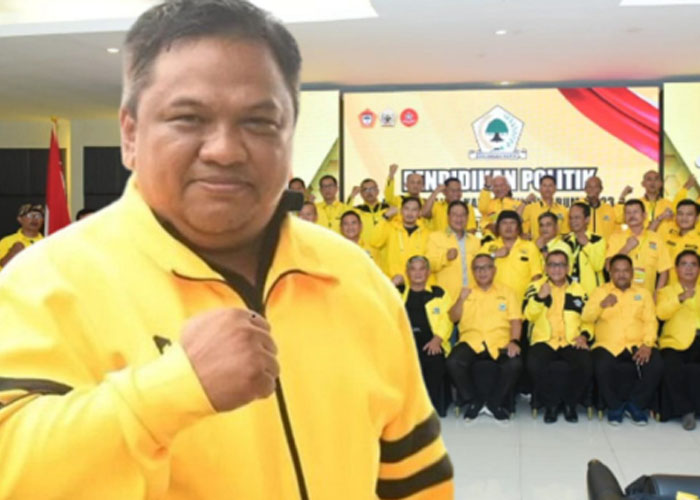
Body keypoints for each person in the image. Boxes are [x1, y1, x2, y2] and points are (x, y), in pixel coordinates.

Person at [0, 2, 453, 499]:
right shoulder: (42, 285)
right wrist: (170, 391)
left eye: (259, 122)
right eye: (188, 118)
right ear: (130, 134)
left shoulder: (354, 276)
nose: (225, 150)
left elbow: (416, 475)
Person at [582, 254, 663, 425]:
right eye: (617, 271)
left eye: (625, 270)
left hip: (637, 343)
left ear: (632, 273)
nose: (621, 274)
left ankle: (636, 405)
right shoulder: (600, 291)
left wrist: (648, 344)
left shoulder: (643, 293)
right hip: (607, 345)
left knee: (656, 364)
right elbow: (586, 317)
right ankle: (615, 407)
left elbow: (650, 321)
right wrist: (601, 305)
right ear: (610, 272)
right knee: (600, 365)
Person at [446, 253, 523, 421]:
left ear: (494, 270)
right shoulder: (465, 292)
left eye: (486, 267)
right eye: (477, 268)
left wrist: (514, 341)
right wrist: (460, 300)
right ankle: (474, 401)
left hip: (500, 341)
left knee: (514, 363)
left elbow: (516, 320)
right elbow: (453, 317)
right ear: (473, 272)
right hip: (471, 341)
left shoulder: (507, 292)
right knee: (453, 362)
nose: (482, 272)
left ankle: (495, 402)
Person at [523, 250, 593, 423]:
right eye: (552, 265)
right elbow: (528, 315)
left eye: (561, 265)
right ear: (546, 268)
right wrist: (540, 298)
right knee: (534, 364)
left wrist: (584, 336)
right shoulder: (535, 287)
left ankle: (570, 404)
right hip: (544, 340)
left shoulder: (579, 289)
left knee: (585, 363)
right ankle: (551, 405)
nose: (557, 269)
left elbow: (588, 318)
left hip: (571, 340)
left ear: (568, 268)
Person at [397, 256, 454, 417]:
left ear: (428, 272)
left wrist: (438, 339)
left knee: (434, 360)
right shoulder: (398, 292)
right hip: (405, 343)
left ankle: (429, 407)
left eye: (422, 269)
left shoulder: (439, 293)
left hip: (432, 341)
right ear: (407, 272)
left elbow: (447, 319)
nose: (418, 273)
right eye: (413, 269)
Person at [656, 250, 700, 430]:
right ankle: (686, 411)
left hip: (698, 339)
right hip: (674, 342)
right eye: (684, 264)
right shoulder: (666, 291)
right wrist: (679, 299)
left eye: (693, 264)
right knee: (670, 366)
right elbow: (661, 313)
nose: (689, 268)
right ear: (676, 269)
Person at [606, 199, 672, 296]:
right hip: (620, 298)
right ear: (624, 217)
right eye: (628, 213)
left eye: (635, 212)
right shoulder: (615, 237)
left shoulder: (656, 238)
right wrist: (626, 248)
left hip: (646, 298)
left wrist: (657, 295)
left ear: (644, 215)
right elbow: (608, 267)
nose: (632, 215)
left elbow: (664, 271)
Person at [480, 210, 543, 304]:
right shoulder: (488, 246)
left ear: (519, 227)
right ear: (498, 227)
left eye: (512, 223)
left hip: (522, 303)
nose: (508, 227)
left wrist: (533, 302)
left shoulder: (530, 247)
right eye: (504, 223)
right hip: (493, 303)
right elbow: (477, 268)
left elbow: (536, 276)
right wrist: (494, 255)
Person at [426, 200, 480, 301]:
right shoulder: (435, 237)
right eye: (455, 214)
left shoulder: (475, 241)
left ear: (467, 218)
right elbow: (428, 265)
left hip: (472, 297)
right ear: (448, 217)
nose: (459, 218)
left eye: (462, 215)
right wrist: (445, 257)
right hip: (446, 297)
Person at [370, 197, 430, 284]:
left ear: (419, 213)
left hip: (417, 284)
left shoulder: (427, 233)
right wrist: (385, 217)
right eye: (406, 209)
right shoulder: (390, 228)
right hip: (393, 282)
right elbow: (374, 241)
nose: (410, 213)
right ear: (401, 211)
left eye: (414, 210)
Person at [563, 202, 606, 296]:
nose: (573, 221)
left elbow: (599, 266)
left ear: (587, 219)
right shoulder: (565, 241)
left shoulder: (597, 240)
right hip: (571, 294)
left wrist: (587, 245)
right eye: (570, 218)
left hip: (592, 295)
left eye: (577, 217)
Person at [616, 170, 676, 234]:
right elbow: (619, 218)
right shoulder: (636, 204)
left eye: (656, 179)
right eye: (649, 179)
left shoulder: (669, 204)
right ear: (643, 184)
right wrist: (622, 196)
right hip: (639, 239)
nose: (653, 182)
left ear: (661, 183)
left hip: (663, 239)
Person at [662, 199, 700, 285]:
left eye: (689, 214)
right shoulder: (668, 236)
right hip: (669, 290)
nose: (684, 218)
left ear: (697, 218)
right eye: (680, 214)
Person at [522, 175, 569, 240]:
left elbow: (565, 233)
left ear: (555, 189)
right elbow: (515, 218)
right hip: (536, 245)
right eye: (544, 185)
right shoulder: (530, 208)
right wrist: (525, 201)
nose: (547, 189)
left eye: (550, 185)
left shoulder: (563, 210)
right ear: (539, 189)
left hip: (557, 245)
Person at [0, 203, 44, 270]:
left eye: (38, 216)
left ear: (43, 220)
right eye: (30, 215)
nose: (34, 219)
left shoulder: (48, 242)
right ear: (20, 219)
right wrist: (12, 253)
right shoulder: (6, 242)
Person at [347, 178, 390, 244]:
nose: (369, 192)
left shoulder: (388, 209)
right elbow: (344, 215)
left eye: (372, 189)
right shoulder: (357, 210)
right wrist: (352, 196)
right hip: (364, 248)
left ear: (377, 191)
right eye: (365, 190)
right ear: (361, 193)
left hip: (385, 248)